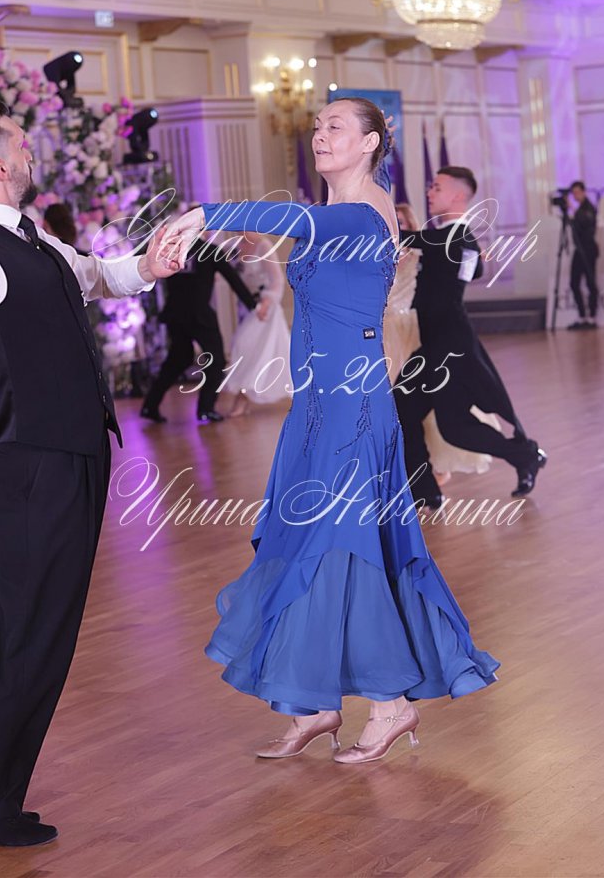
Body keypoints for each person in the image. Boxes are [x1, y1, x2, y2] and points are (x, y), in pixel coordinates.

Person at [166, 98, 499, 766]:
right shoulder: (332, 213)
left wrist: (205, 213)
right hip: (315, 411)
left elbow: (294, 220)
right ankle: (316, 702)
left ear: (372, 143)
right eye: (316, 126)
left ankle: (390, 704)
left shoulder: (366, 211)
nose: (319, 135)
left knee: (347, 547)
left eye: (335, 126)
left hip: (353, 412)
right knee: (304, 543)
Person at [0, 99, 180, 847]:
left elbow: (98, 276)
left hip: (76, 455)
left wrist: (151, 265)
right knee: (28, 632)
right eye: (23, 143)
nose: (33, 153)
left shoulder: (34, 239)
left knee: (43, 631)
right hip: (34, 461)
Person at [394, 167, 547, 510]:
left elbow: (422, 241)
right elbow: (463, 264)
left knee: (446, 424)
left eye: (437, 187)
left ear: (458, 196)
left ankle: (524, 455)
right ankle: (427, 488)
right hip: (439, 343)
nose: (430, 192)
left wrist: (381, 226)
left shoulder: (456, 238)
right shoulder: (456, 240)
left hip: (450, 347)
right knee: (413, 411)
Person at [384, 202, 500, 484]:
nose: (397, 228)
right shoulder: (377, 258)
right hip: (385, 335)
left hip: (414, 331)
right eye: (392, 223)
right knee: (390, 405)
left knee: (426, 402)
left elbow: (464, 266)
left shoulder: (425, 253)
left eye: (401, 223)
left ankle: (435, 464)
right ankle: (400, 468)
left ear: (411, 226)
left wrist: (474, 255)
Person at [140, 230, 258, 423]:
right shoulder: (210, 250)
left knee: (178, 360)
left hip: (176, 314)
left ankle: (150, 405)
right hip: (200, 316)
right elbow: (233, 280)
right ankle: (205, 408)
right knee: (216, 360)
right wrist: (253, 306)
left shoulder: (173, 251)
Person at [226, 231, 291, 417]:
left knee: (247, 346)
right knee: (247, 349)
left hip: (264, 308)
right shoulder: (234, 247)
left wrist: (266, 303)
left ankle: (242, 397)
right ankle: (243, 396)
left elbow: (277, 280)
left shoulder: (264, 246)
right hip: (246, 306)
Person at [567, 181, 599, 331]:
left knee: (590, 283)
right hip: (578, 250)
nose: (575, 195)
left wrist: (571, 208)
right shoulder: (580, 209)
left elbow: (586, 222)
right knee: (574, 282)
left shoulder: (589, 208)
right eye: (573, 193)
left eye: (578, 192)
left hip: (588, 249)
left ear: (584, 192)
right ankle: (581, 315)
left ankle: (592, 317)